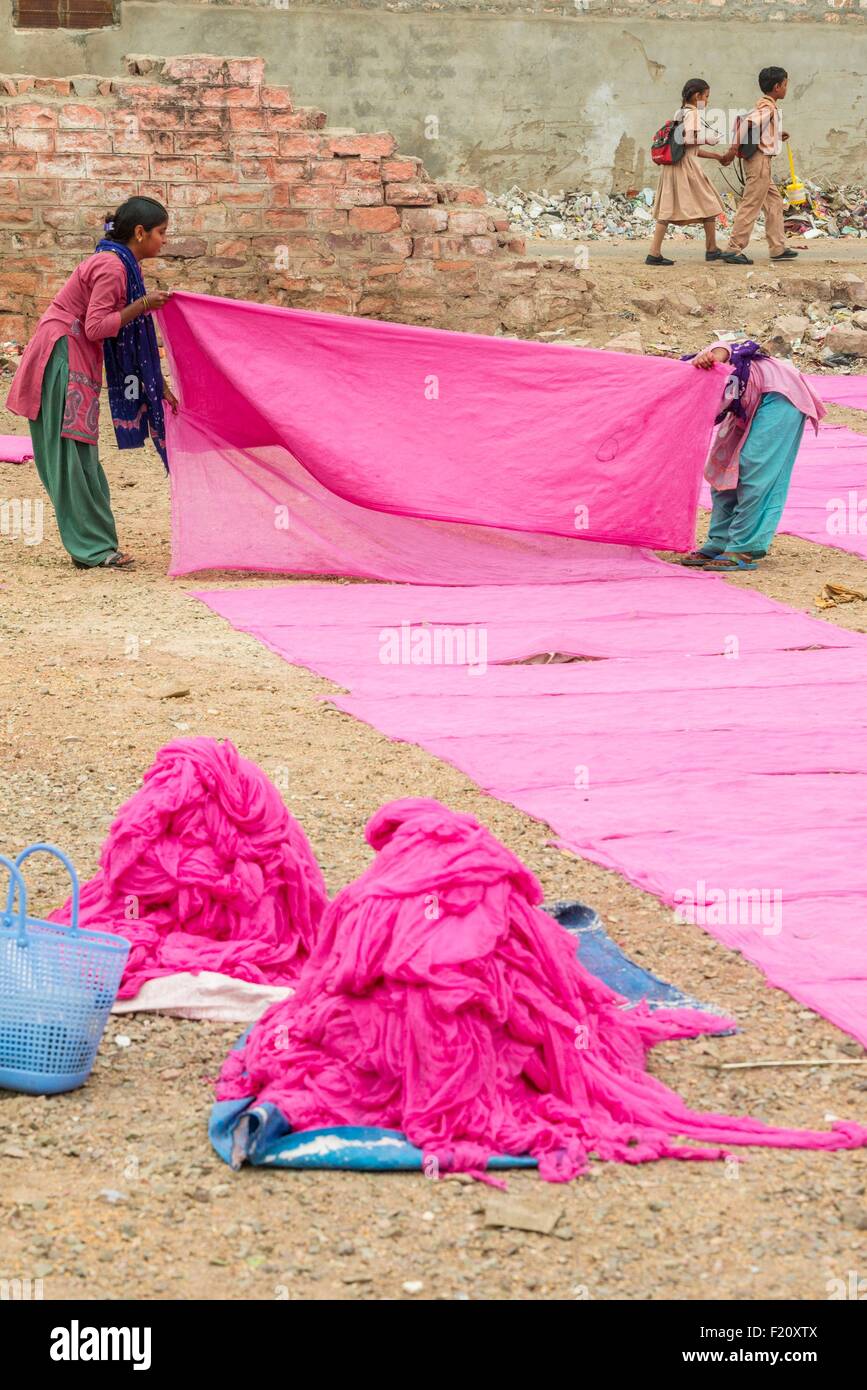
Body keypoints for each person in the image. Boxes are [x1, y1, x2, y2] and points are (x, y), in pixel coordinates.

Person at [6, 196, 177, 570]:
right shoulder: (113, 268)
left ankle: (98, 544)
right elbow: (99, 325)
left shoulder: (118, 264)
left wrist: (157, 383)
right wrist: (144, 305)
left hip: (73, 353)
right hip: (63, 355)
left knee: (80, 454)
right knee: (71, 455)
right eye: (161, 233)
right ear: (139, 232)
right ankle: (93, 549)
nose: (164, 241)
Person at [681, 339, 825, 570]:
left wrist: (713, 354)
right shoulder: (676, 402)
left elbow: (725, 347)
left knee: (755, 467)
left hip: (779, 395)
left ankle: (744, 546)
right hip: (744, 404)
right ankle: (719, 541)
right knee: (721, 467)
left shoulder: (697, 369)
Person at [646, 78, 728, 267]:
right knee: (710, 202)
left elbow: (687, 146)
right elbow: (689, 140)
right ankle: (711, 249)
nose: (707, 101)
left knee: (667, 208)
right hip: (686, 167)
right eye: (706, 96)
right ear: (697, 96)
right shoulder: (692, 114)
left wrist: (715, 156)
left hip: (673, 165)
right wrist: (709, 139)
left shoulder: (679, 113)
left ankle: (654, 252)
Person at [720, 67, 797, 265]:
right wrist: (732, 149)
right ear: (777, 86)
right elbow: (747, 124)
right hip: (760, 163)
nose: (786, 88)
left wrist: (777, 135)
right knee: (751, 204)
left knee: (775, 202)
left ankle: (778, 247)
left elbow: (758, 131)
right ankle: (733, 248)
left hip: (762, 162)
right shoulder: (768, 108)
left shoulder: (766, 106)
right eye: (785, 84)